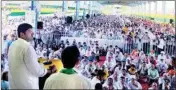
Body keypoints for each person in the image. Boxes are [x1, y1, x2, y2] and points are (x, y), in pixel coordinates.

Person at [8, 23, 52, 89]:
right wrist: (49, 71)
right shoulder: (27, 47)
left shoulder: (13, 44)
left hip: (14, 85)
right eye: (29, 32)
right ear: (22, 34)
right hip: (27, 86)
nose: (32, 34)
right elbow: (37, 70)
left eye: (32, 31)